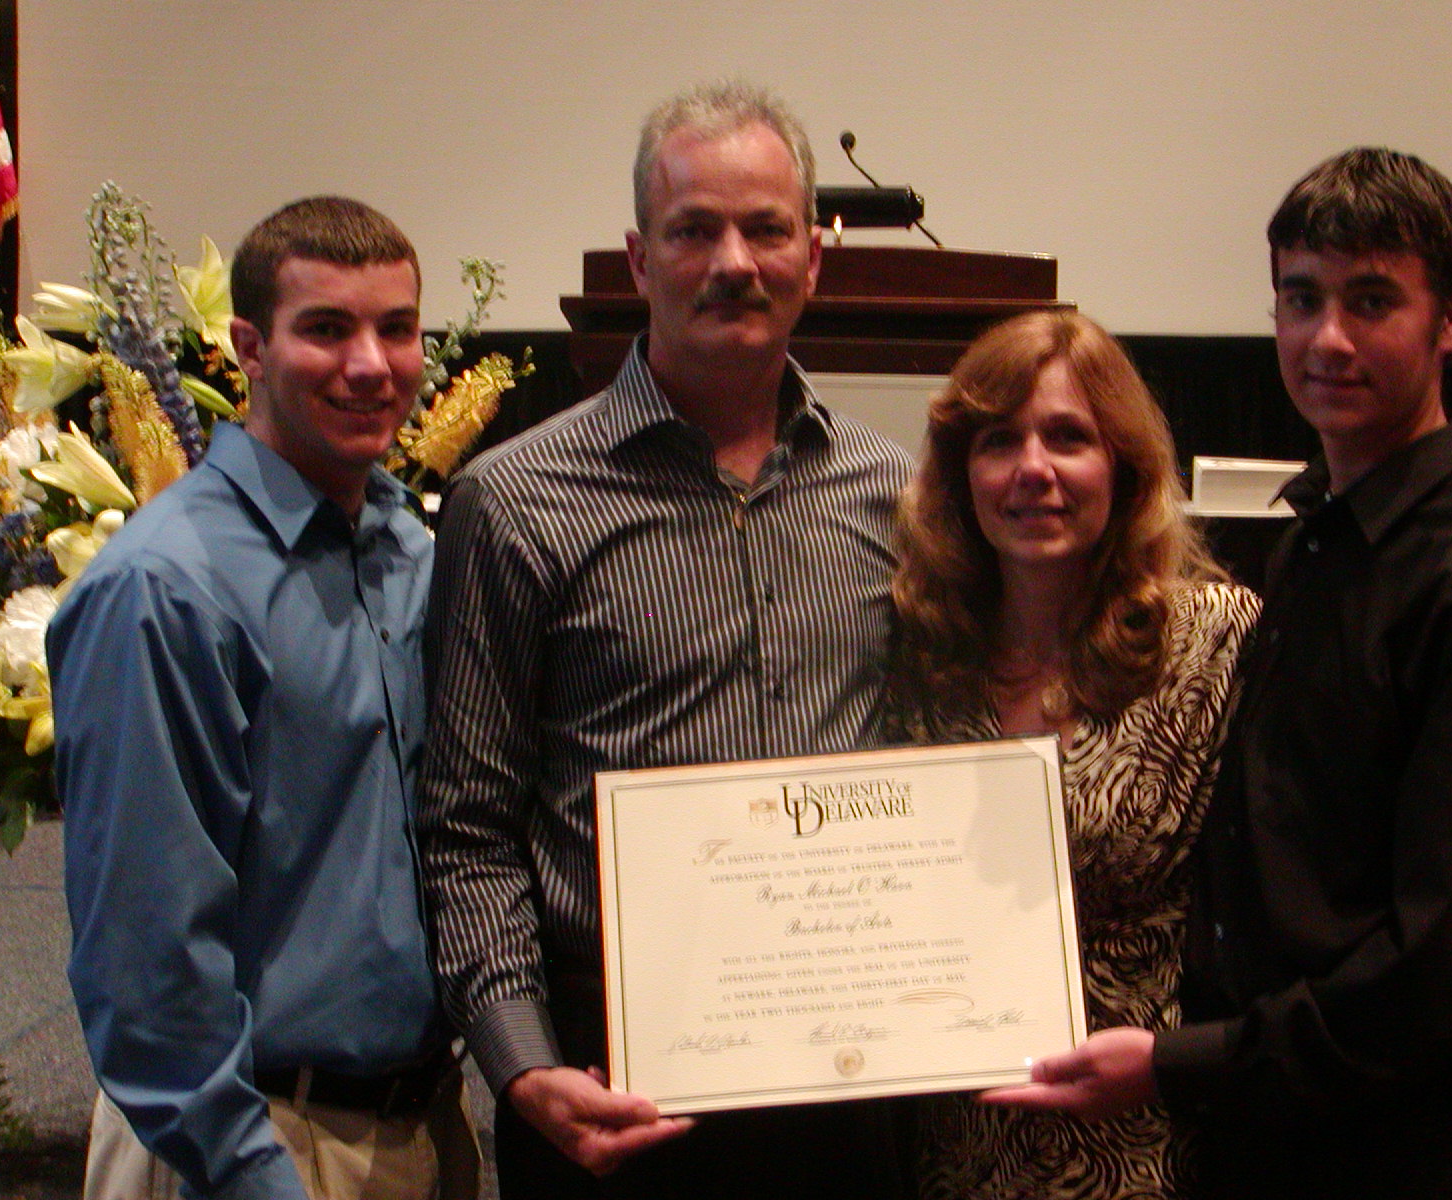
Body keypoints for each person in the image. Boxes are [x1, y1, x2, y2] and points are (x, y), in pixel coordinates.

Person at [993, 148, 1452, 1198]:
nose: (1328, 339)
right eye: (1300, 299)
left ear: (1451, 317)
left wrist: (1178, 1064)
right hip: (1291, 1143)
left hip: (1420, 1161)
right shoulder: (1322, 539)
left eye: (1370, 301)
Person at [417, 82, 913, 1199]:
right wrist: (520, 1065)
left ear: (813, 257)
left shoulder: (896, 496)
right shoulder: (517, 501)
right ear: (640, 261)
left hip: (850, 1069)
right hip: (609, 1087)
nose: (731, 260)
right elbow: (465, 825)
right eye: (694, 230)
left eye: (766, 228)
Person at [51, 197, 480, 1200]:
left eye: (397, 328)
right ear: (247, 345)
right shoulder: (165, 586)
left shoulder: (409, 554)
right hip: (238, 1147)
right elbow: (146, 965)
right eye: (326, 329)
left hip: (413, 1129)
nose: (370, 364)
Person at [886, 309, 1258, 1198]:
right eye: (998, 441)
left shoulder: (1214, 644)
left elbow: (1318, 853)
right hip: (952, 1142)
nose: (1032, 472)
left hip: (1148, 1138)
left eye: (1067, 438)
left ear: (1124, 466)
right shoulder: (912, 656)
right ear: (960, 470)